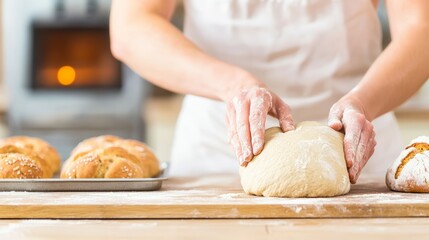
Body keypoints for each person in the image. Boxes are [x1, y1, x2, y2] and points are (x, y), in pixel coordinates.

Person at [110, 0, 429, 183]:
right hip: (220, 155)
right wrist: (233, 85)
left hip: (357, 150)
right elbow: (131, 26)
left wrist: (363, 101)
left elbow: (421, 30)